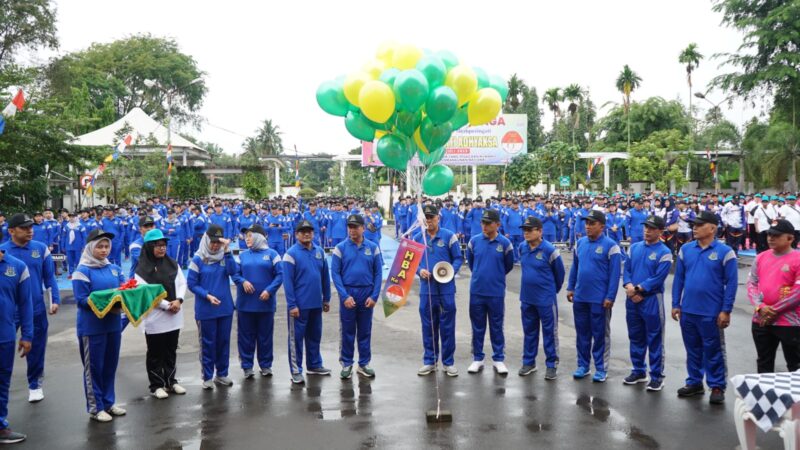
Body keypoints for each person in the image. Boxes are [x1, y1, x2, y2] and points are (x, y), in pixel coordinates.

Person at [672, 210, 738, 405]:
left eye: (699, 225)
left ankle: (717, 385)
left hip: (711, 312)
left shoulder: (725, 252)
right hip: (689, 310)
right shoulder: (686, 249)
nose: (695, 228)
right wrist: (676, 303)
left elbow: (732, 284)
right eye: (694, 224)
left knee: (714, 349)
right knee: (693, 349)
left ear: (712, 228)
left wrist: (726, 310)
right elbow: (679, 279)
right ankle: (694, 382)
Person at [0, 213, 60, 403]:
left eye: (31, 227)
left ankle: (34, 384)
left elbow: (49, 277)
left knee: (36, 347)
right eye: (24, 228)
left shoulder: (40, 249)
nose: (30, 231)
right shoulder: (3, 252)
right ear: (11, 231)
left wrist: (55, 299)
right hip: (8, 311)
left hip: (35, 308)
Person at [71, 229, 127, 422]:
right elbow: (81, 300)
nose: (104, 250)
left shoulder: (114, 268)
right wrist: (108, 305)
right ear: (90, 248)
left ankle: (109, 402)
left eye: (106, 246)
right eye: (100, 247)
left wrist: (122, 303)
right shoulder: (82, 271)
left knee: (110, 366)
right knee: (94, 368)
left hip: (113, 325)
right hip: (91, 327)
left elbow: (124, 290)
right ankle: (96, 407)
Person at [566, 210, 622, 383]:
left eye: (592, 223)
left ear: (602, 226)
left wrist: (610, 296)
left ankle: (601, 368)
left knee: (600, 335)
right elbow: (575, 267)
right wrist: (570, 287)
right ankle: (583, 365)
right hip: (581, 297)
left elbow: (615, 275)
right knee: (582, 333)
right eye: (587, 223)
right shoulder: (580, 243)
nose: (588, 226)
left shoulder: (611, 246)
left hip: (599, 299)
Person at [134, 229, 187, 399]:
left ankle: (171, 381)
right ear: (149, 247)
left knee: (171, 349)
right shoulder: (141, 269)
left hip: (174, 313)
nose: (162, 249)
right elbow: (145, 292)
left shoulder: (172, 263)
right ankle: (156, 384)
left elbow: (181, 283)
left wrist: (178, 300)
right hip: (155, 317)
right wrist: (166, 305)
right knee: (156, 352)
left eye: (163, 245)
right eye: (157, 246)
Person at [621, 215, 672, 391]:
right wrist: (629, 287)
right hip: (632, 299)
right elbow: (626, 269)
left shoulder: (664, 252)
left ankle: (657, 376)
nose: (647, 231)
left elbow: (658, 278)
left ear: (660, 231)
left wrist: (638, 289)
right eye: (645, 227)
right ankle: (638, 370)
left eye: (651, 228)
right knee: (635, 336)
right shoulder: (634, 248)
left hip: (651, 299)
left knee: (655, 338)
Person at [413, 205, 463, 377]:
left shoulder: (449, 236)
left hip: (446, 289)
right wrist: (420, 271)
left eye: (432, 217)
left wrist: (450, 272)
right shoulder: (418, 237)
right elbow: (411, 262)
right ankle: (430, 361)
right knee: (428, 326)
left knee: (447, 326)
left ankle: (448, 362)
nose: (429, 221)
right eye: (426, 218)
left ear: (438, 218)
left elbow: (458, 258)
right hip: (427, 290)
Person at [331, 214, 382, 379]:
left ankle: (364, 363)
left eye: (356, 227)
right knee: (347, 330)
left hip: (367, 294)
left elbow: (378, 273)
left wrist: (374, 296)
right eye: (350, 227)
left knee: (365, 331)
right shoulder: (340, 248)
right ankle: (346, 363)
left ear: (363, 228)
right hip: (348, 293)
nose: (352, 230)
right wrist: (344, 296)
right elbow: (335, 274)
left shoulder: (373, 247)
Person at [187, 224, 237, 390]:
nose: (215, 245)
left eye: (219, 243)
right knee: (208, 343)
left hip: (225, 308)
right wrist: (207, 295)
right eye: (212, 242)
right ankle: (207, 376)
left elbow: (233, 271)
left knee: (223, 342)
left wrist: (228, 251)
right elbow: (192, 284)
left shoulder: (224, 257)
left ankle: (222, 374)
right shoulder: (198, 259)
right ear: (206, 240)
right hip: (206, 309)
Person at [747, 219, 800, 373]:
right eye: (769, 234)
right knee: (764, 362)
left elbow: (797, 292)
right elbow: (752, 284)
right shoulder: (760, 257)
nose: (770, 238)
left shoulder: (798, 259)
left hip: (790, 322)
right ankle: (764, 397)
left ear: (790, 238)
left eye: (776, 235)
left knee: (795, 365)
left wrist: (773, 311)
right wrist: (760, 307)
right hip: (761, 319)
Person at [282, 219, 332, 385]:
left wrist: (327, 298)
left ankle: (314, 364)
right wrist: (292, 305)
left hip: (316, 304)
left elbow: (325, 276)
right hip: (299, 306)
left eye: (309, 231)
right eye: (302, 231)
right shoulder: (291, 254)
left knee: (314, 336)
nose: (306, 234)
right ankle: (296, 370)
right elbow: (288, 283)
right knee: (296, 339)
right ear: (296, 234)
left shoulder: (319, 252)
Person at [466, 209, 514, 375]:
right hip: (477, 291)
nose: (484, 226)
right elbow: (472, 264)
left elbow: (508, 266)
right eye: (482, 223)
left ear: (497, 224)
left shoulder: (505, 244)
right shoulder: (474, 242)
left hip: (496, 292)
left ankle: (498, 358)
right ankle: (477, 358)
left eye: (488, 223)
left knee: (496, 327)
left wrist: (495, 277)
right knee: (477, 327)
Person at [232, 224, 283, 378]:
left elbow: (280, 275)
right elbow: (235, 274)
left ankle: (265, 365)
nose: (247, 239)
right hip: (245, 305)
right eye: (246, 236)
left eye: (250, 236)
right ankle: (247, 366)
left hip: (265, 304)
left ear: (259, 237)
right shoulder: (242, 255)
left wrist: (269, 290)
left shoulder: (273, 254)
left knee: (265, 336)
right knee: (245, 336)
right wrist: (243, 281)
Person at [517, 216, 565, 379]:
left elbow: (560, 274)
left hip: (545, 300)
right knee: (529, 331)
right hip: (527, 298)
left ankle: (551, 364)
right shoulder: (522, 247)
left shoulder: (550, 250)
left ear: (540, 231)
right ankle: (529, 362)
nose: (526, 233)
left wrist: (551, 292)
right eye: (525, 230)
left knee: (549, 332)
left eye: (530, 230)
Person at [0, 244, 32, 443]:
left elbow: (25, 303)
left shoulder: (17, 267)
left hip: (4, 335)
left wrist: (27, 335)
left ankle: (1, 426)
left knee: (2, 382)